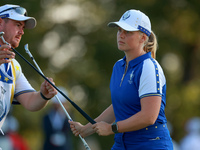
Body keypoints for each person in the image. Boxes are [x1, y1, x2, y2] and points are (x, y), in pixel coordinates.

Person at [69, 9, 173, 150]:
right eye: (119, 30)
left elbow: (149, 116)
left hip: (150, 143)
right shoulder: (119, 66)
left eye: (128, 32)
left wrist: (112, 128)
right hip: (122, 143)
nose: (121, 35)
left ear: (143, 38)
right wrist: (87, 129)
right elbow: (117, 106)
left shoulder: (148, 67)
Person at [0, 4, 57, 135]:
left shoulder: (13, 65)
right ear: (0, 22)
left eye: (23, 27)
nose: (22, 32)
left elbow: (31, 101)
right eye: (18, 25)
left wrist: (43, 95)